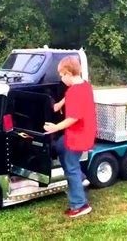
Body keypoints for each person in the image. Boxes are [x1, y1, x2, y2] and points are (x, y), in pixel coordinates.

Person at [43, 56, 97, 218]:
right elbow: (71, 95)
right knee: (59, 147)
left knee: (71, 167)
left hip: (77, 136)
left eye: (61, 75)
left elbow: (73, 118)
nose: (61, 78)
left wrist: (55, 127)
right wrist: (60, 103)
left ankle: (80, 205)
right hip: (84, 133)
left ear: (68, 73)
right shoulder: (84, 85)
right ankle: (81, 179)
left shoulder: (74, 91)